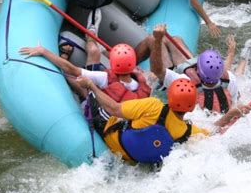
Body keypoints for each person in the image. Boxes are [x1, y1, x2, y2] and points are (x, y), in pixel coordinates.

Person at [76, 76, 251, 164]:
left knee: (88, 96)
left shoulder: (153, 105)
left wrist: (91, 85)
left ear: (169, 96)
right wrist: (232, 114)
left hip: (111, 139)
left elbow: (113, 108)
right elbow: (214, 131)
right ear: (191, 108)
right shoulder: (186, 132)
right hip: (133, 160)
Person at [19, 38, 152, 135]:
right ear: (133, 65)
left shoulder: (104, 77)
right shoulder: (143, 83)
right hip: (122, 126)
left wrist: (44, 51)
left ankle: (65, 57)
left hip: (100, 118)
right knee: (90, 73)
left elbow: (71, 69)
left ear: (112, 64)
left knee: (81, 84)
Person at [150, 24, 251, 114]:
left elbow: (157, 70)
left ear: (198, 70)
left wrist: (157, 40)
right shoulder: (229, 79)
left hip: (193, 107)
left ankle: (243, 58)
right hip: (217, 114)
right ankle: (244, 58)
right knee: (237, 76)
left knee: (165, 40)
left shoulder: (186, 82)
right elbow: (233, 104)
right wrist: (231, 53)